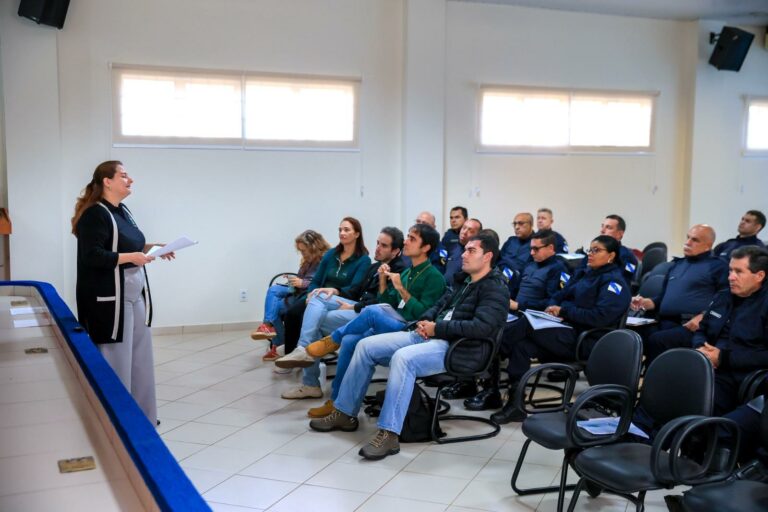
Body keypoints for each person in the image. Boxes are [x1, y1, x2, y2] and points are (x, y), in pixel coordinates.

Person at [307, 233, 509, 461]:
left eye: (471, 250)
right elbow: (438, 306)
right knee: (365, 345)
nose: (464, 254)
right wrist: (424, 323)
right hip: (432, 336)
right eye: (465, 249)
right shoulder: (463, 281)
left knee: (402, 358)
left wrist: (438, 328)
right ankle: (344, 412)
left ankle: (390, 433)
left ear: (488, 257)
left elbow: (482, 328)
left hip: (459, 349)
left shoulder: (495, 288)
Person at [301, 223, 446, 418]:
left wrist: (401, 289)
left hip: (409, 328)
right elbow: (387, 302)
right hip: (392, 321)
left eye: (412, 239)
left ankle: (331, 339)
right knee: (350, 340)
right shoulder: (406, 272)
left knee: (372, 312)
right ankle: (338, 404)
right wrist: (384, 280)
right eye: (408, 237)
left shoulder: (434, 277)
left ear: (426, 247)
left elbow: (422, 315)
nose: (406, 241)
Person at [72, 160, 174, 426]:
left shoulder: (122, 211)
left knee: (140, 358)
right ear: (107, 181)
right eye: (124, 175)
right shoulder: (95, 213)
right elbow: (92, 255)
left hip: (133, 295)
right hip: (111, 300)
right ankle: (115, 421)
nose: (130, 180)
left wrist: (155, 247)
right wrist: (132, 257)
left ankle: (142, 417)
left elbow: (127, 242)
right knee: (116, 359)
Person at [492, 235, 631, 424]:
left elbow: (600, 317)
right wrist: (555, 307)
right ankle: (516, 405)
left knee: (526, 323)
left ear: (611, 256)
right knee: (522, 346)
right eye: (589, 249)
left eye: (596, 250)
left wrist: (565, 311)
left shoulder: (614, 283)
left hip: (587, 341)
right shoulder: (586, 274)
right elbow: (558, 295)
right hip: (566, 331)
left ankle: (494, 350)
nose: (590, 254)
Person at [275, 227, 403, 398]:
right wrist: (335, 291)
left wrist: (353, 307)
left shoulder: (398, 271)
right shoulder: (374, 267)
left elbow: (385, 305)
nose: (377, 247)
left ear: (395, 251)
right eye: (378, 243)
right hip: (357, 307)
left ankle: (307, 365)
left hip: (370, 316)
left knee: (317, 314)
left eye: (384, 245)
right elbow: (355, 291)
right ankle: (307, 367)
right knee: (319, 297)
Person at [464, 230, 569, 410]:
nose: (532, 253)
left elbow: (552, 304)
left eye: (537, 249)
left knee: (498, 337)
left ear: (551, 248)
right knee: (495, 328)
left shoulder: (558, 269)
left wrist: (520, 305)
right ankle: (490, 388)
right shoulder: (531, 265)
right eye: (531, 248)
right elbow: (514, 292)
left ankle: (490, 385)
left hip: (537, 319)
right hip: (519, 315)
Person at [631, 224, 728, 365]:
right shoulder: (677, 265)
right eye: (688, 237)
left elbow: (725, 299)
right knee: (633, 334)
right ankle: (631, 378)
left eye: (695, 240)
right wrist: (647, 302)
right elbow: (662, 298)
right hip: (663, 320)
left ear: (708, 245)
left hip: (690, 325)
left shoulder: (718, 267)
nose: (688, 242)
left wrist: (704, 315)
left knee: (657, 339)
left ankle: (655, 381)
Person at [691, 246, 768, 416]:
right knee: (668, 380)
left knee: (694, 399)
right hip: (706, 361)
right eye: (730, 270)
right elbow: (701, 329)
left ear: (759, 276)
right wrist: (700, 349)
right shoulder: (723, 296)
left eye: (739, 272)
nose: (730, 277)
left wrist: (722, 357)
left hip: (738, 373)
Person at [250, 230, 330, 362]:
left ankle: (276, 341)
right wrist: (295, 280)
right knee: (274, 290)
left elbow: (323, 282)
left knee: (274, 307)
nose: (302, 254)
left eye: (304, 250)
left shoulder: (325, 260)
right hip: (297, 291)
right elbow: (303, 278)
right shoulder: (307, 260)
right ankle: (272, 333)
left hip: (308, 294)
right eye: (300, 251)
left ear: (313, 247)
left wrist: (302, 282)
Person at [598, 214, 638, 283]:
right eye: (602, 226)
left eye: (608, 227)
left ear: (620, 234)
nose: (602, 231)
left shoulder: (628, 257)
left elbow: (624, 282)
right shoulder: (596, 251)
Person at [444, 218, 482, 286]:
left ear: (478, 235)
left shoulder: (477, 255)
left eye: (471, 230)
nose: (464, 232)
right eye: (464, 228)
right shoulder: (452, 247)